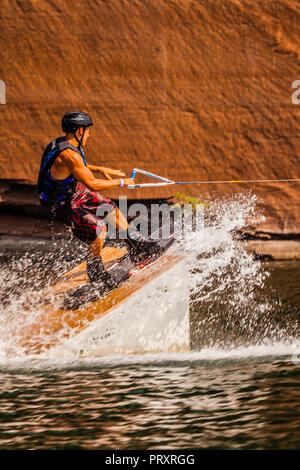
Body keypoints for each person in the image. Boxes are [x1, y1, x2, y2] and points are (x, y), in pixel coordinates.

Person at [37, 111, 161, 290]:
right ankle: (96, 273)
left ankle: (136, 247)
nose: (89, 134)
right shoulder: (69, 154)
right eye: (87, 131)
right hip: (58, 202)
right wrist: (122, 182)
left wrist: (99, 168)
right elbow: (92, 184)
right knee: (98, 230)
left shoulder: (63, 143)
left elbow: (75, 166)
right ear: (79, 131)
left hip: (72, 191)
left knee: (110, 208)